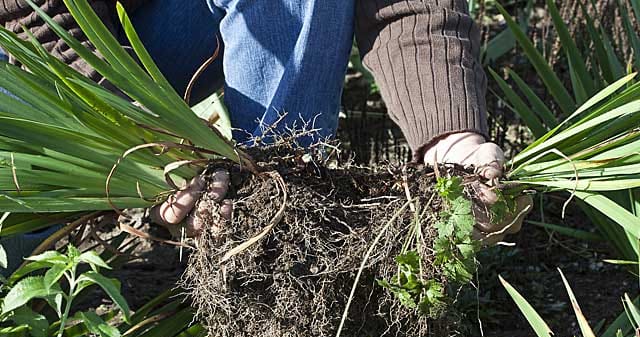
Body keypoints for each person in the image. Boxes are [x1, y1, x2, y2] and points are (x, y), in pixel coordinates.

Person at [0, 0, 530, 247]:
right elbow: (37, 21)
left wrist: (451, 134)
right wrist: (140, 144)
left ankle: (266, 231)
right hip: (32, 73)